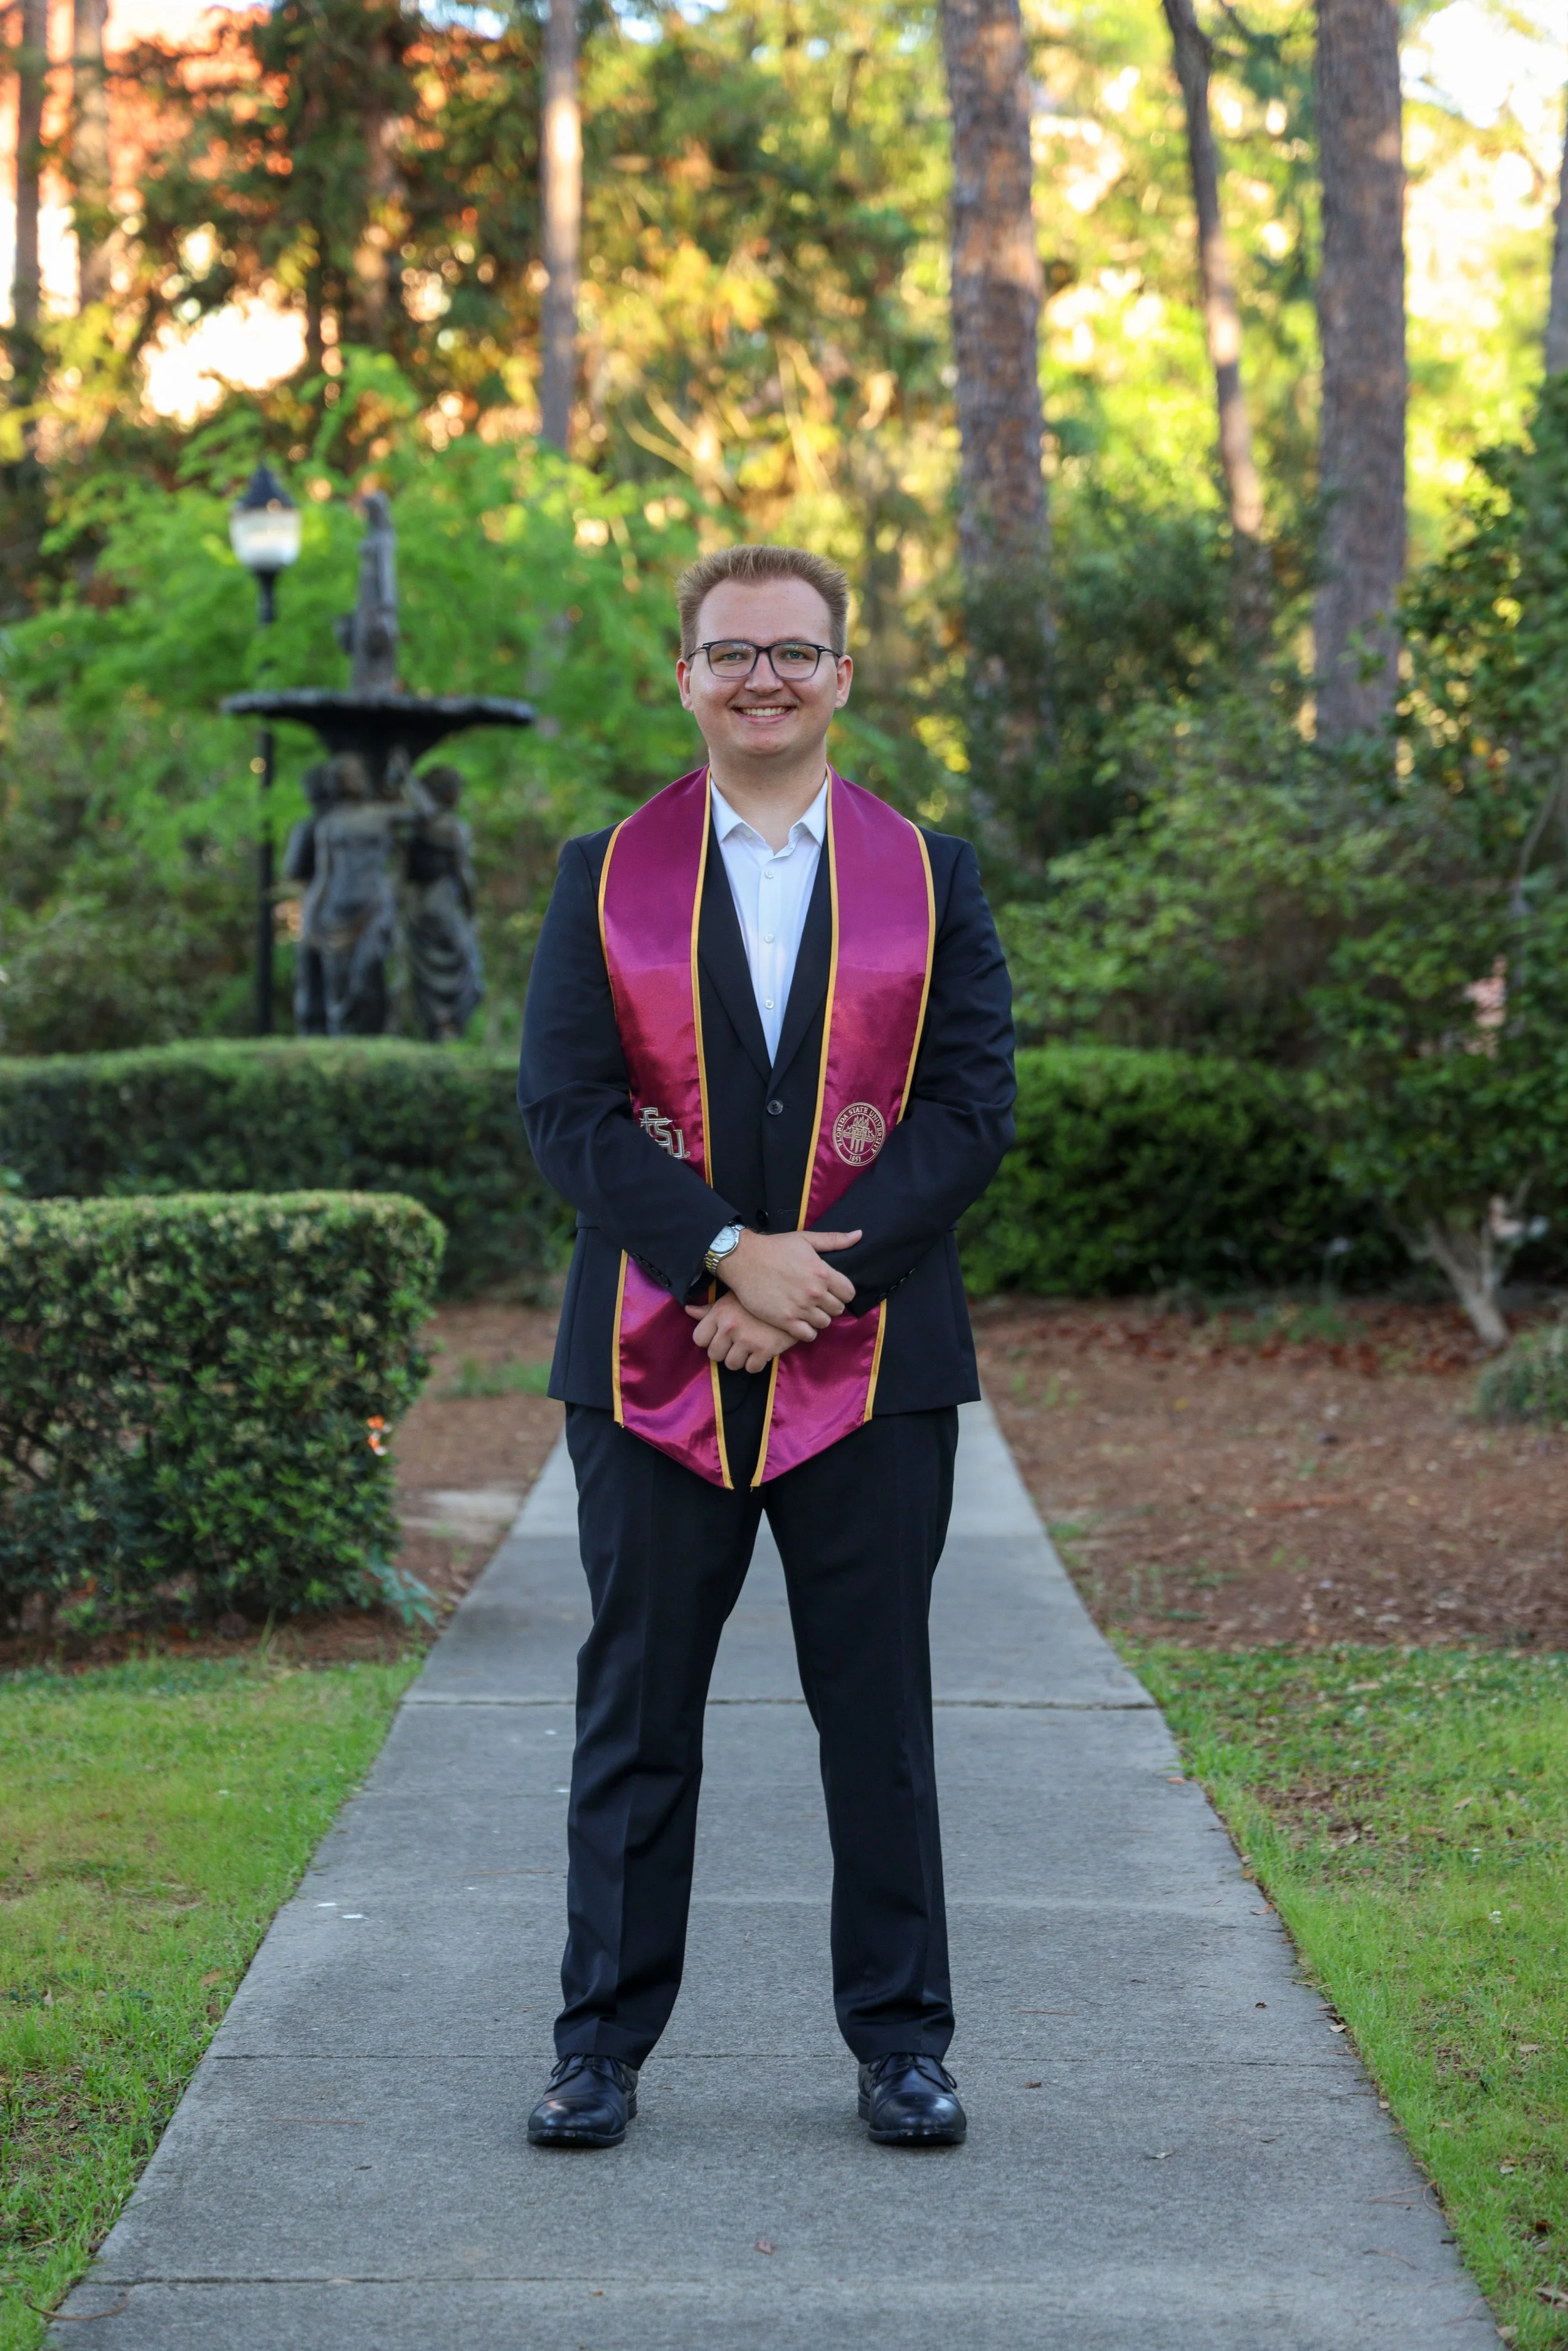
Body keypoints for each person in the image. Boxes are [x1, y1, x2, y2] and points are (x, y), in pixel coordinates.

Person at [517, 544, 1015, 2152]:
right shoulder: (605, 874)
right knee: (635, 1714)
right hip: (649, 1364)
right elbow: (569, 1110)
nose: (762, 678)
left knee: (875, 1719)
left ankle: (901, 2043)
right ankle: (597, 2041)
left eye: (793, 653)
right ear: (684, 678)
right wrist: (727, 1254)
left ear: (841, 676)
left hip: (874, 1373)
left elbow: (963, 1114)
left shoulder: (930, 876)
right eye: (730, 654)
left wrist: (815, 1282)